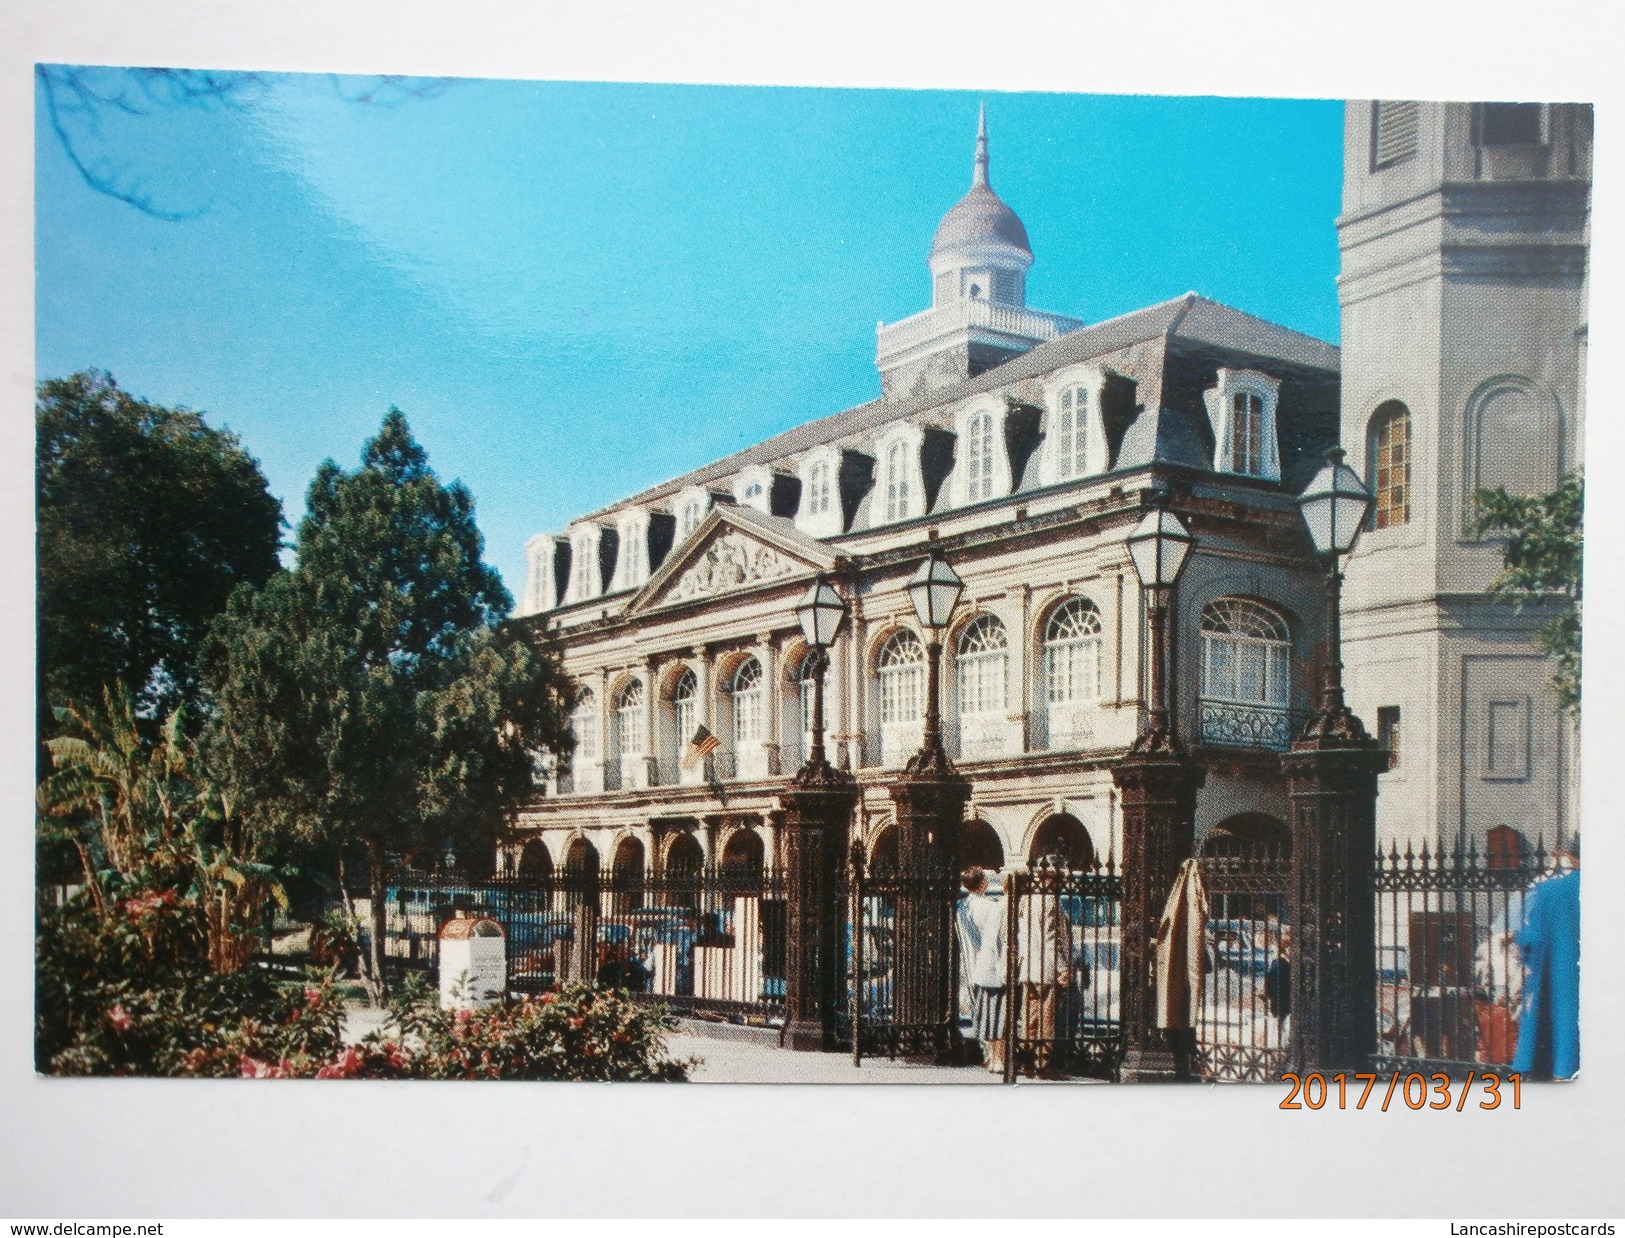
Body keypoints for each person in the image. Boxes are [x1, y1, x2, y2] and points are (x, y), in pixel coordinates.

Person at [1512, 839, 1580, 1080]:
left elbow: (1533, 939)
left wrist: (1517, 940)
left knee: (1567, 1031)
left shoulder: (1552, 891)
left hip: (1566, 978)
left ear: (1572, 858)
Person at [1016, 861, 1072, 1075]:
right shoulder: (1050, 902)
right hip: (1047, 967)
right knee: (1046, 1020)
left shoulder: (1027, 900)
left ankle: (1027, 1059)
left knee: (1029, 1018)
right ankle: (1042, 1063)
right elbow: (1052, 940)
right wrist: (1063, 968)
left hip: (1028, 966)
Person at [957, 865, 1007, 1074]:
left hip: (969, 964)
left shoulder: (961, 906)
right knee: (997, 1014)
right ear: (983, 883)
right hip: (990, 964)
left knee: (983, 1013)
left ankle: (989, 1055)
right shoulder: (990, 907)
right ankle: (997, 1057)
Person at [1261, 927, 1292, 1047]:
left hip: (1288, 1000)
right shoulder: (1279, 962)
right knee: (1279, 1025)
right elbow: (1272, 982)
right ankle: (1278, 1048)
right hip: (1280, 1000)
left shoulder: (1289, 962)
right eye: (1287, 946)